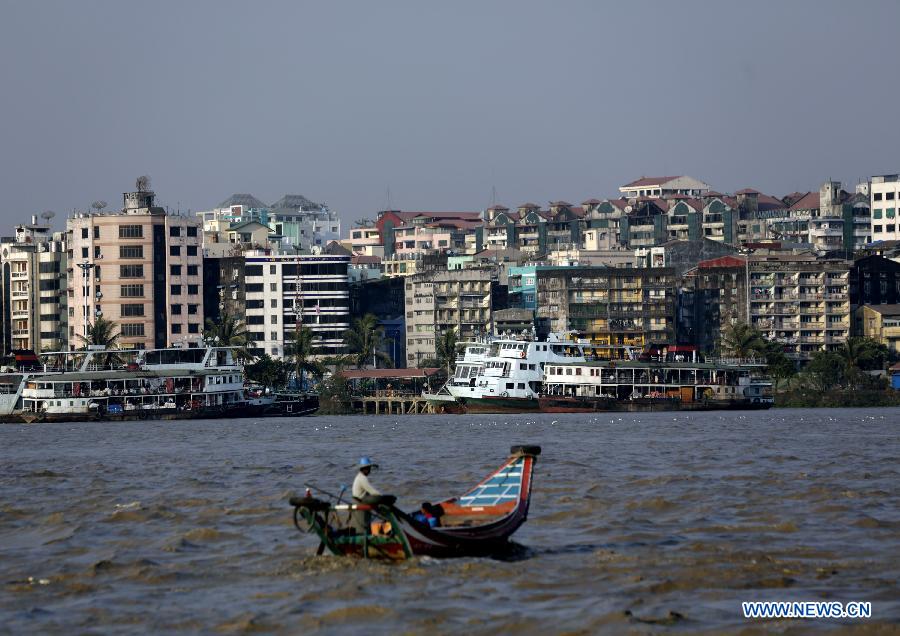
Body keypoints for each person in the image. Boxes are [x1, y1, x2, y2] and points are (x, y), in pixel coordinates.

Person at [350, 456, 381, 534]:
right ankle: (364, 541)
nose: (369, 471)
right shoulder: (362, 478)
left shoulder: (360, 477)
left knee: (365, 523)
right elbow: (371, 490)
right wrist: (381, 496)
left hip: (361, 501)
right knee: (362, 526)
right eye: (369, 469)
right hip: (359, 502)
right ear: (365, 469)